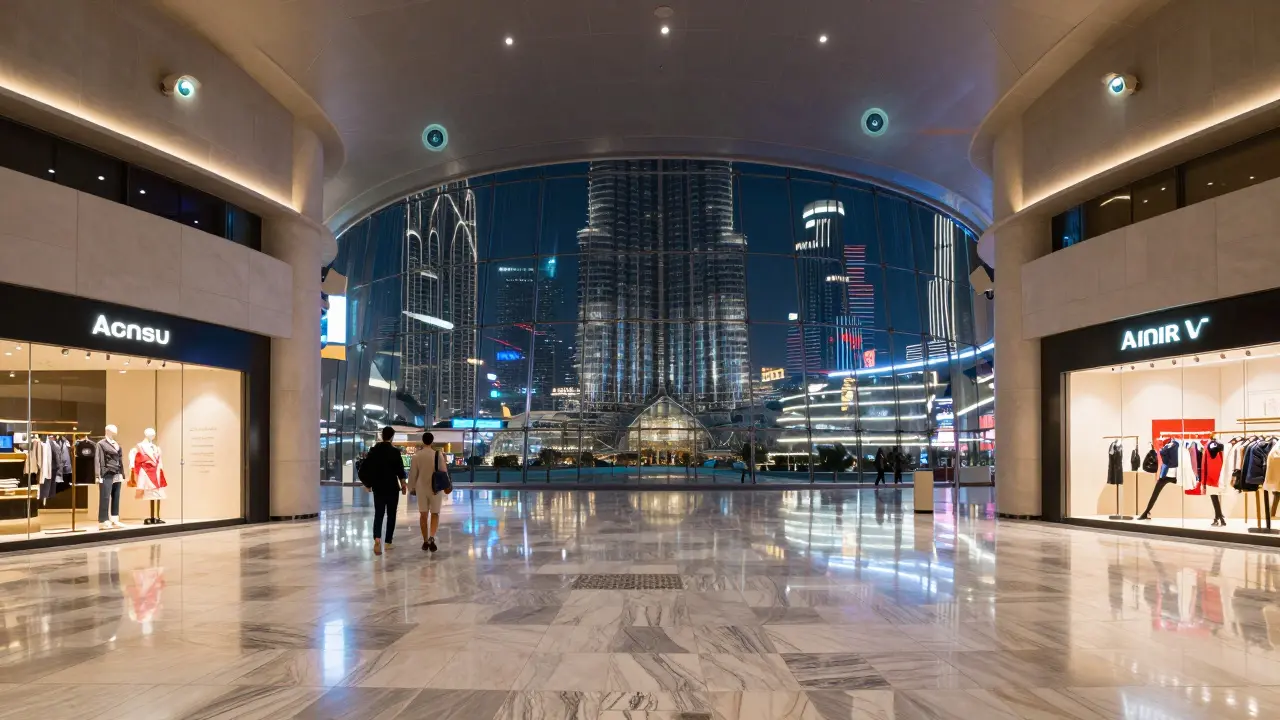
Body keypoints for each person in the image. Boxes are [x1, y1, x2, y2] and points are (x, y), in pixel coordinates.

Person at [358, 426, 407, 556]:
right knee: (391, 514)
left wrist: (368, 484)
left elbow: (362, 470)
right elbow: (400, 470)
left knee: (379, 514)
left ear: (381, 435)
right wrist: (403, 484)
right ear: (392, 437)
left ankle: (377, 540)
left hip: (378, 487)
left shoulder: (374, 451)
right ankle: (388, 542)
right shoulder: (395, 452)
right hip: (392, 488)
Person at [408, 432, 449, 552]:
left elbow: (413, 474)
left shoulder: (416, 456)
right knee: (435, 513)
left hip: (421, 488)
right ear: (432, 441)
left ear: (422, 440)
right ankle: (432, 537)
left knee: (423, 515)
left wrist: (411, 488)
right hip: (435, 488)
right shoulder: (438, 454)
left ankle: (425, 540)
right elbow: (444, 471)